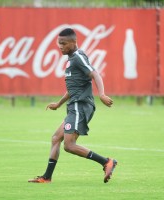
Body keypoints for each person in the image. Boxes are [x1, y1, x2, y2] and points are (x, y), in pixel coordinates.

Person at [28, 28, 117, 184]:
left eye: (63, 43)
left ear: (73, 42)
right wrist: (58, 104)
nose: (60, 46)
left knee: (69, 145)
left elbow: (95, 74)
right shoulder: (71, 60)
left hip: (80, 106)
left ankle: (106, 162)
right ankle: (46, 177)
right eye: (58, 43)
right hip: (74, 105)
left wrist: (101, 94)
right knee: (56, 138)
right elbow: (73, 89)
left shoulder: (77, 58)